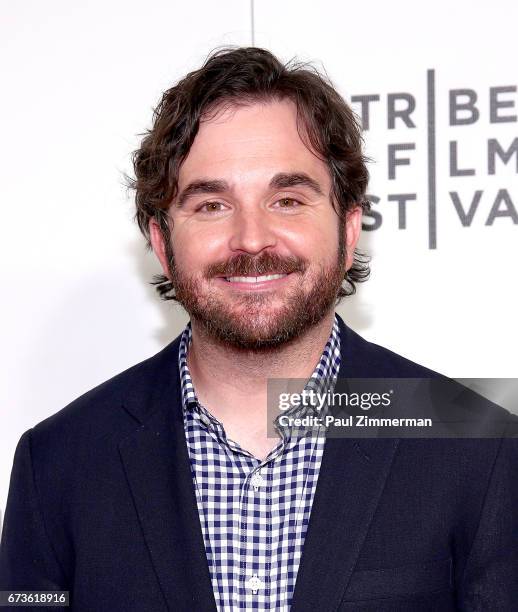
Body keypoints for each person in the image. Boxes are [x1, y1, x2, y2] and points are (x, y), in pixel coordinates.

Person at [1, 47, 517, 611]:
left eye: (288, 200)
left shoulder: (481, 447)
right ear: (161, 243)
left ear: (348, 230)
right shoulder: (56, 465)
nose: (252, 238)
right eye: (212, 205)